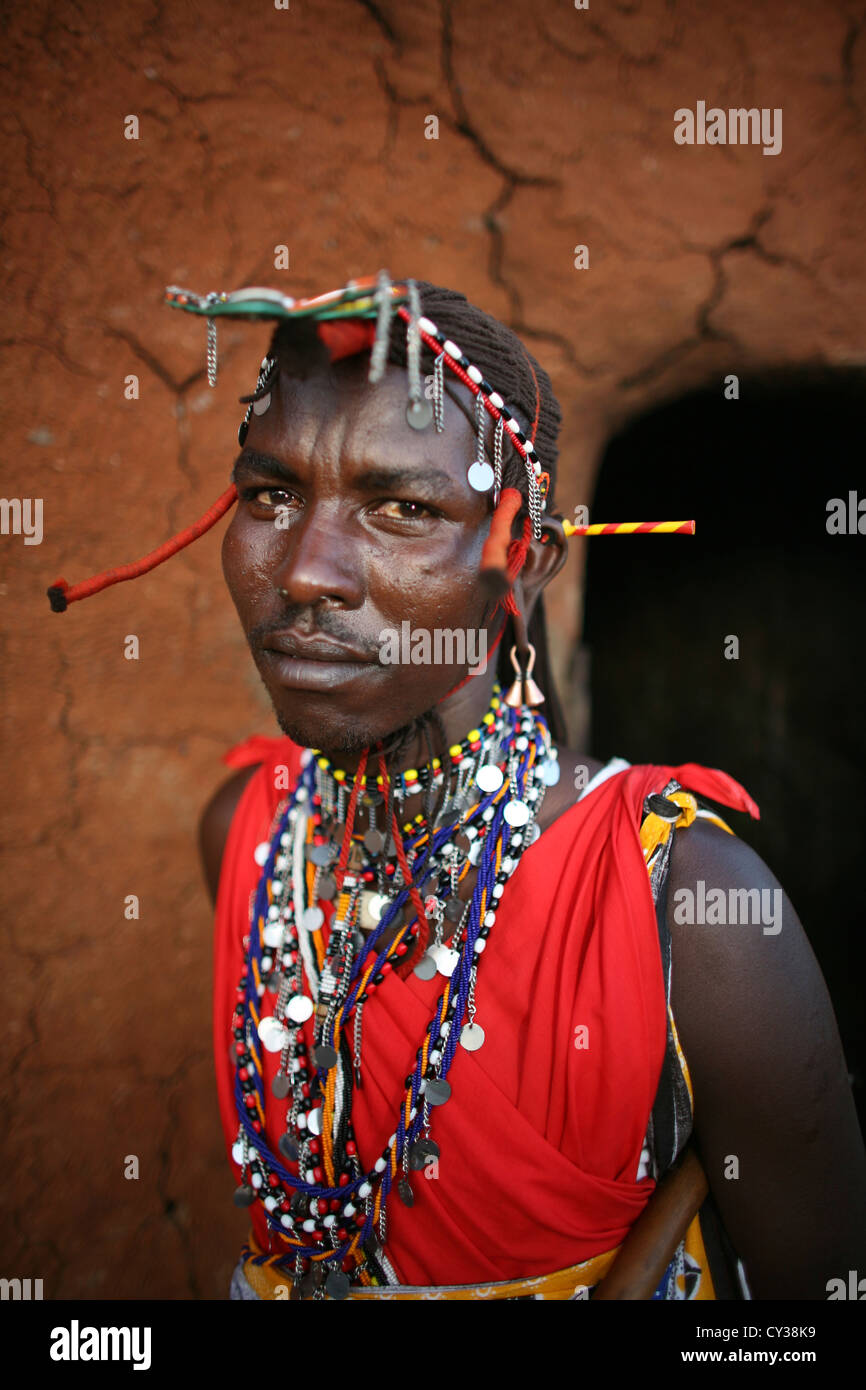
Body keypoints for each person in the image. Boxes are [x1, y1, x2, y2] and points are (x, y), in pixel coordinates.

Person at [48, 275, 866, 1300]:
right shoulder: (250, 841)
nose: (305, 570)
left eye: (401, 507)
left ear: (523, 563)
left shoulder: (689, 910)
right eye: (271, 495)